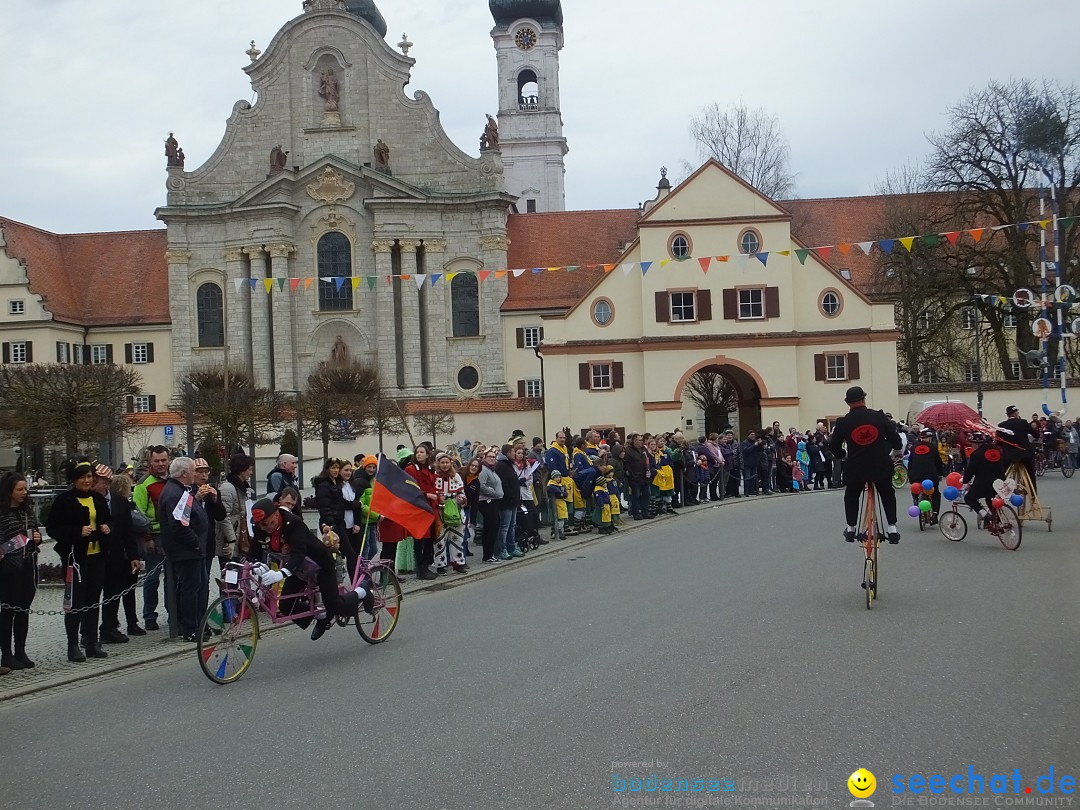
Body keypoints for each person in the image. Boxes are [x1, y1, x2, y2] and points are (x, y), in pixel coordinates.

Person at [249, 498, 372, 641]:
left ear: (276, 515)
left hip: (320, 563)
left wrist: (281, 573)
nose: (263, 528)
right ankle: (322, 616)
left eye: (265, 524)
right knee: (286, 605)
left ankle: (363, 591)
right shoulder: (260, 528)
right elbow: (254, 551)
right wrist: (256, 564)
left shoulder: (293, 523)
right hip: (299, 568)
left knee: (334, 605)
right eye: (260, 525)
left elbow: (299, 553)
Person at [47, 459, 112, 662]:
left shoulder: (97, 499)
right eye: (83, 477)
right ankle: (73, 646)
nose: (87, 480)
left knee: (93, 601)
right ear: (75, 479)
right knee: (75, 603)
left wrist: (106, 527)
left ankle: (92, 642)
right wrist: (76, 532)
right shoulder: (64, 501)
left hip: (97, 556)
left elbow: (108, 518)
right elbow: (53, 529)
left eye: (89, 477)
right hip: (76, 559)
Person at [828, 386, 903, 544]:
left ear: (848, 403)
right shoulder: (879, 416)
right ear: (864, 399)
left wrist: (844, 455)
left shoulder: (843, 422)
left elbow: (833, 447)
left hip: (856, 468)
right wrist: (893, 452)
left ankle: (851, 528)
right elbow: (896, 440)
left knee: (852, 495)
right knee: (887, 493)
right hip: (880, 465)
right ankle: (892, 528)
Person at [157, 457, 209, 642]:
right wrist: (195, 542)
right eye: (194, 470)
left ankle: (195, 623)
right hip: (187, 550)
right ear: (185, 473)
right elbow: (179, 524)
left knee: (195, 587)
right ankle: (190, 628)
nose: (196, 474)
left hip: (193, 549)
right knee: (190, 589)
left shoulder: (181, 490)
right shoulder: (174, 493)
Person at [0, 472, 43, 671]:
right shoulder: (2, 513)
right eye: (19, 489)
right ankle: (6, 654)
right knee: (9, 610)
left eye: (25, 489)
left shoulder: (27, 512)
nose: (24, 493)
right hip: (9, 567)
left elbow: (35, 533)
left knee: (23, 609)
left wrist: (36, 538)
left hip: (28, 564)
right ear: (9, 491)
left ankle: (20, 650)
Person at [100, 472, 144, 642]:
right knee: (94, 596)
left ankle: (110, 627)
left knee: (114, 592)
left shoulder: (121, 503)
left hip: (119, 554)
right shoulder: (97, 501)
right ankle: (88, 633)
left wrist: (134, 555)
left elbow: (128, 531)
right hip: (98, 554)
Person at [132, 445, 170, 631]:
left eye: (164, 460)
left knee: (173, 577)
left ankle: (174, 613)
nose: (161, 464)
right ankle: (149, 616)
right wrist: (147, 538)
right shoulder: (143, 484)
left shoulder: (173, 480)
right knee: (152, 578)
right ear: (150, 462)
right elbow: (138, 514)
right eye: (157, 461)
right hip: (153, 535)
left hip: (172, 535)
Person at [962, 431, 1008, 523]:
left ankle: (984, 514)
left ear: (975, 443)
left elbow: (970, 470)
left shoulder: (976, 454)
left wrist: (965, 480)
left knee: (969, 498)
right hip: (1000, 481)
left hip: (984, 483)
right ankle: (997, 519)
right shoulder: (997, 450)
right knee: (989, 498)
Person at [907, 427, 944, 524]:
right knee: (935, 493)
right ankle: (935, 514)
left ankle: (915, 499)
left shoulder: (913, 448)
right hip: (930, 476)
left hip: (915, 475)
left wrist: (910, 475)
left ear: (920, 438)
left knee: (915, 487)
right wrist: (940, 474)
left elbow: (910, 463)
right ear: (929, 438)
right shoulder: (933, 448)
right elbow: (938, 462)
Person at [998, 405, 1036, 492]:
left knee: (1003, 472)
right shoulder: (1023, 422)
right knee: (1030, 473)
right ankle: (1033, 494)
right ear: (1015, 414)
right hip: (1024, 454)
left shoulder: (1001, 425)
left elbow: (998, 441)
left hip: (1009, 455)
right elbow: (1035, 434)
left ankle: (1002, 491)